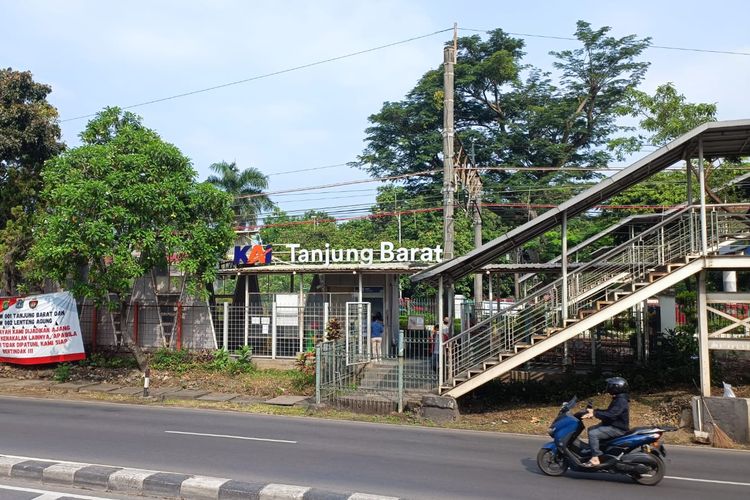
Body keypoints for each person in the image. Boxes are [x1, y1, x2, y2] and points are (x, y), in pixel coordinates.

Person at [582, 377, 630, 467]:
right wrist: (594, 411)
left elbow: (611, 414)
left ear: (616, 387)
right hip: (614, 425)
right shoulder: (619, 398)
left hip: (618, 428)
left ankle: (595, 458)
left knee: (593, 433)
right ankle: (594, 450)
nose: (608, 387)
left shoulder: (621, 401)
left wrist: (595, 413)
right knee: (591, 429)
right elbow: (609, 412)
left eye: (610, 385)